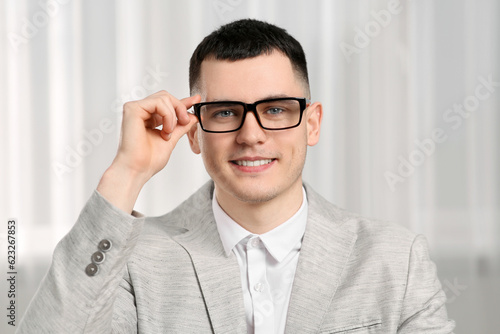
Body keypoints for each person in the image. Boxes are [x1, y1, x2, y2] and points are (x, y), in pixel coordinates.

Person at [18, 19, 455, 333]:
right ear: (194, 132)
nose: (251, 135)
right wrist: (127, 172)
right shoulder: (133, 259)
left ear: (312, 123)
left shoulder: (396, 260)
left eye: (276, 110)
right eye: (225, 112)